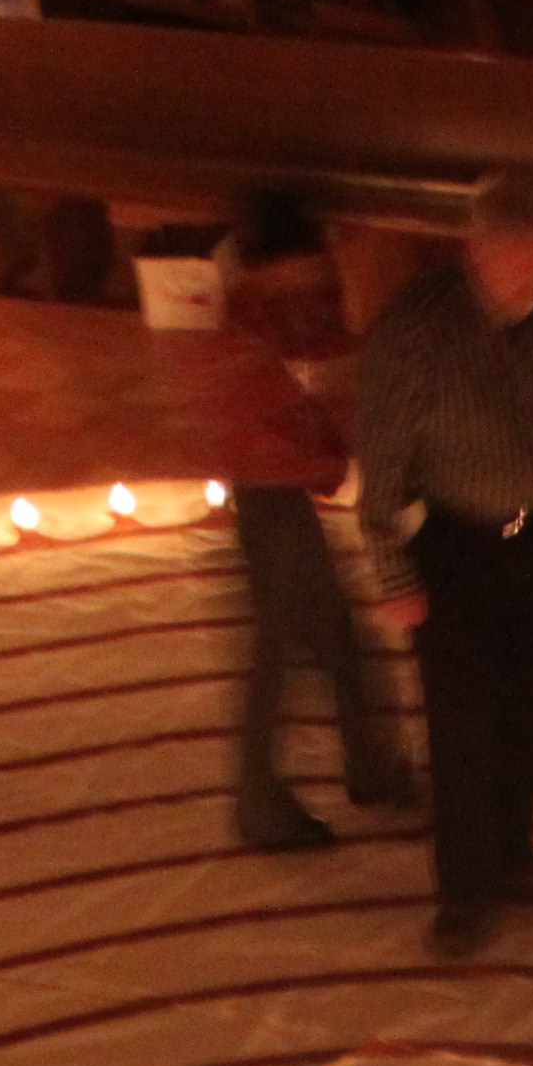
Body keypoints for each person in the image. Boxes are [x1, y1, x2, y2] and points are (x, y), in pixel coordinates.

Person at [356, 171, 533, 957]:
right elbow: (385, 463)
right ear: (474, 249)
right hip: (455, 551)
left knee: (531, 711)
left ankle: (513, 855)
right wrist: (394, 573)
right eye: (519, 266)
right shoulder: (415, 333)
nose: (532, 282)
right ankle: (464, 890)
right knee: (462, 726)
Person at [211, 190, 421, 852]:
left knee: (333, 638)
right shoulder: (253, 326)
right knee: (280, 651)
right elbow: (274, 411)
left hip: (280, 496)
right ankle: (263, 801)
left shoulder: (271, 309)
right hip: (271, 499)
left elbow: (327, 365)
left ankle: (369, 765)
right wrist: (326, 459)